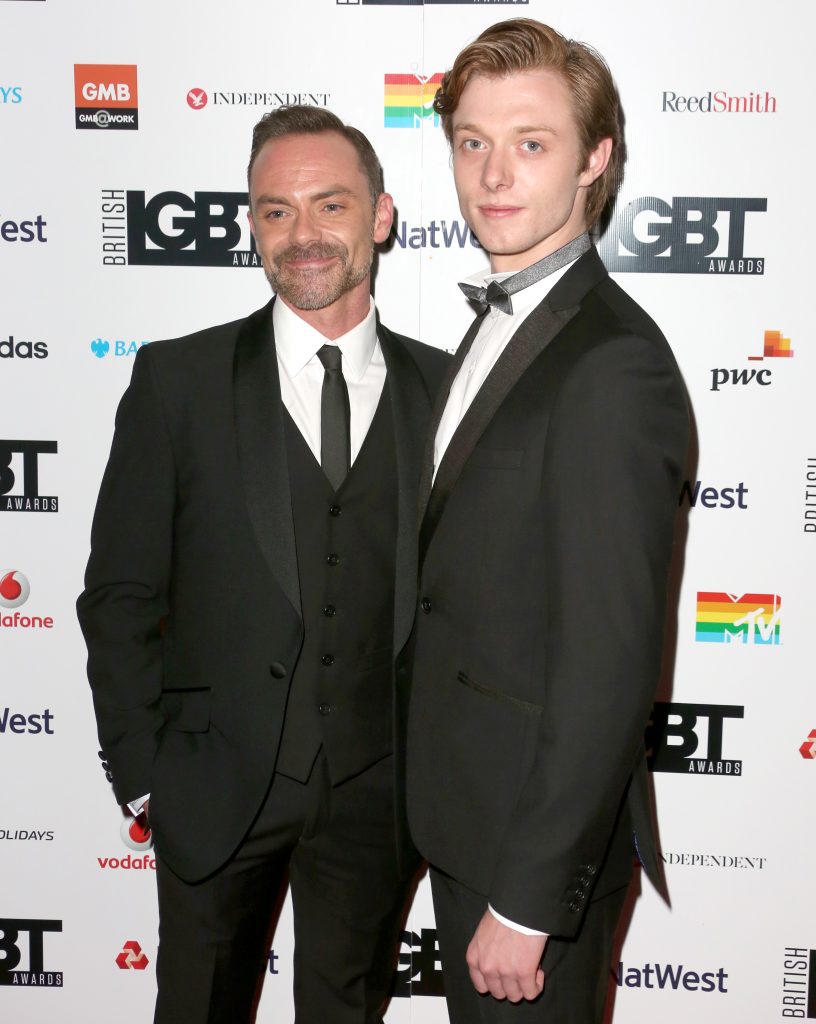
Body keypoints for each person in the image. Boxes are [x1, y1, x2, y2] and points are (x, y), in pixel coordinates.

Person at [77, 104, 448, 1024]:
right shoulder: (178, 382)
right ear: (251, 223)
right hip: (212, 787)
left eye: (331, 204)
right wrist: (149, 773)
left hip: (380, 792)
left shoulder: (448, 392)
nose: (304, 234)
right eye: (275, 211)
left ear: (383, 216)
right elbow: (120, 594)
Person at [406, 19, 689, 1024]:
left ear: (595, 160)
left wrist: (528, 900)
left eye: (531, 143)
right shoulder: (501, 320)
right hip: (463, 811)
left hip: (527, 852)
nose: (492, 172)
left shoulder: (613, 364)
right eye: (471, 141)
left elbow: (609, 660)